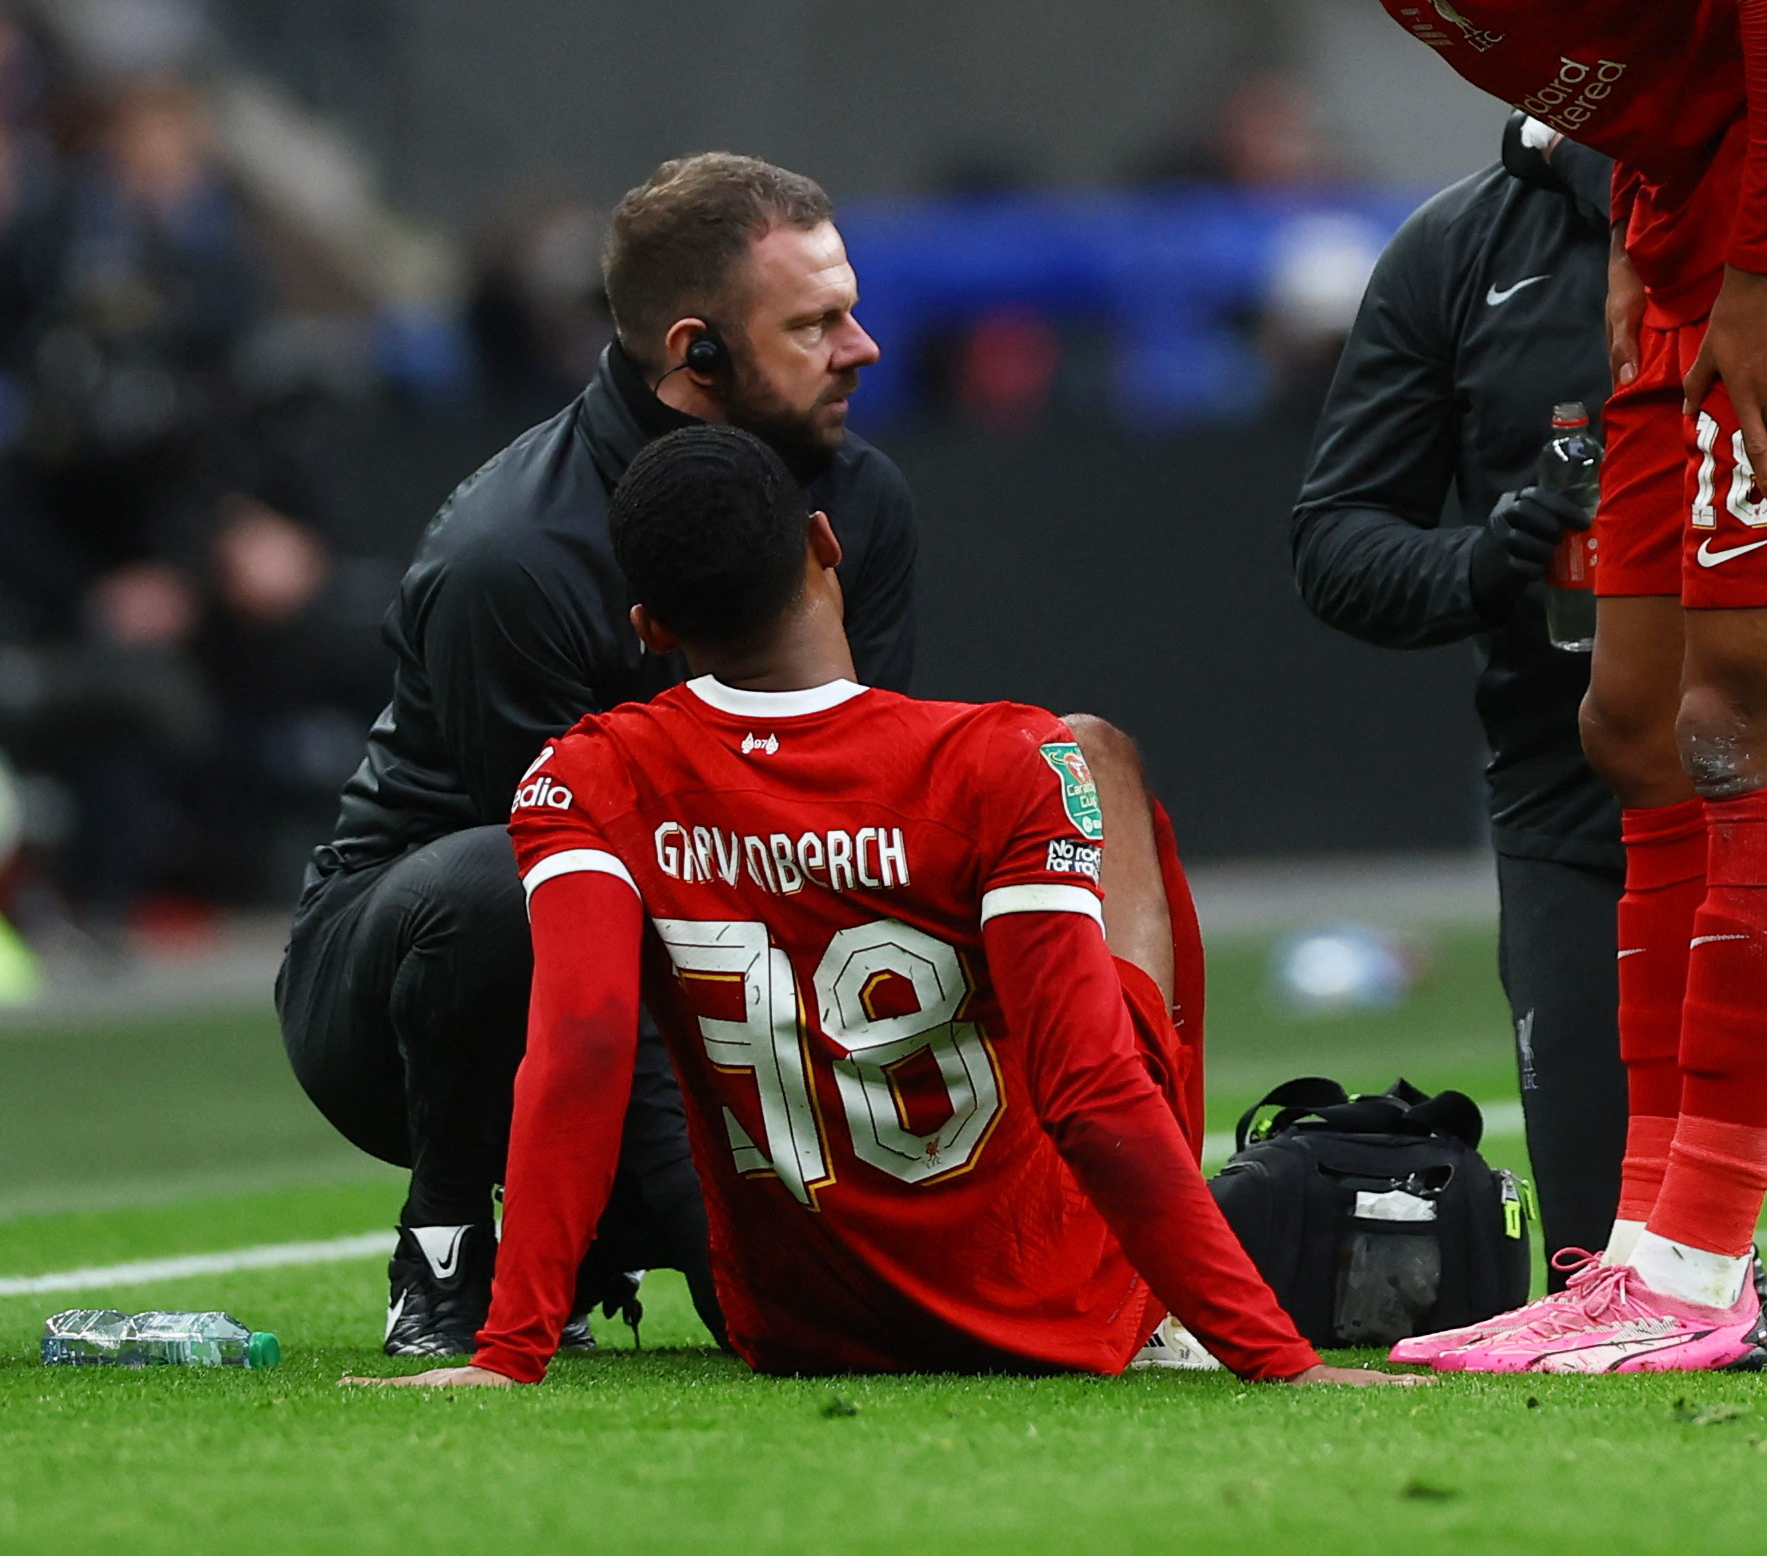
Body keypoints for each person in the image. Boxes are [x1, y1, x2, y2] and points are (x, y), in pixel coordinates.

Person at [977, 0, 1767, 1375]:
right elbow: (1650, 38)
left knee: (1755, 716)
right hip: (1700, 231)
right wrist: (1656, 253)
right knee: (1633, 721)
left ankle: (1691, 1268)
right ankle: (1644, 1252)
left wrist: (1752, 268)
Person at [345, 426, 1404, 1390]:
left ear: (650, 624)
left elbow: (577, 1049)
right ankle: (1173, 1300)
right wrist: (1276, 1360)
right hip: (1056, 1308)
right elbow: (1085, 1085)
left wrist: (508, 1354)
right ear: (823, 542)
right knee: (1096, 751)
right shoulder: (1003, 755)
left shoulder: (589, 775)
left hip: (804, 1323)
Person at [1294, 113, 1767, 1359]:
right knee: (1604, 1252)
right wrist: (1490, 554)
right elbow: (1333, 544)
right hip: (1576, 785)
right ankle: (1701, 1271)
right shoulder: (1452, 249)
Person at [276, 153, 919, 1356]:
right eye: (816, 322)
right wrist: (718, 1222)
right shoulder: (509, 558)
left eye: (850, 308)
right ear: (698, 352)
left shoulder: (859, 503)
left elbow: (861, 810)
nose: (863, 347)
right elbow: (588, 920)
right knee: (502, 887)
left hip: (730, 953)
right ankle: (450, 1243)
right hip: (430, 976)